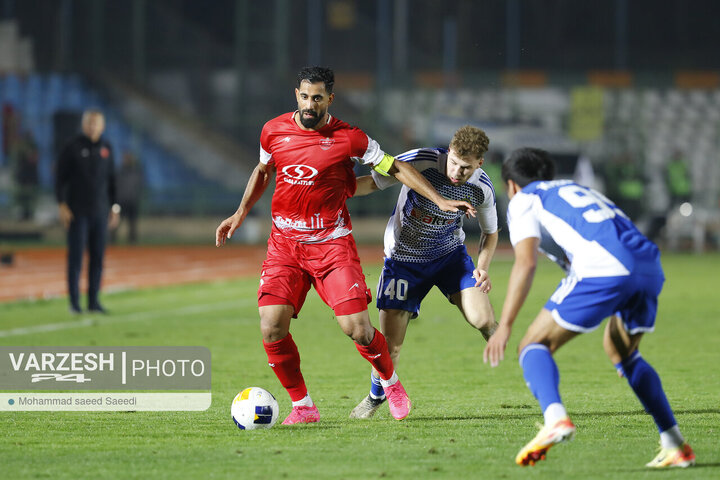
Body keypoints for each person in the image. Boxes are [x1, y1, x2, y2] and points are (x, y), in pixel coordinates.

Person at [215, 66, 475, 425]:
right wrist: (240, 212)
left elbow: (395, 168)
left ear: (329, 99)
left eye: (318, 98)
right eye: (305, 96)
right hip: (285, 246)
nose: (310, 104)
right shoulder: (272, 130)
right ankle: (304, 407)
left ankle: (391, 383)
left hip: (331, 246)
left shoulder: (350, 139)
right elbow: (263, 172)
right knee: (271, 326)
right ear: (297, 95)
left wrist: (440, 200)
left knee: (357, 328)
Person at [483, 148, 695, 468]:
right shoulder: (577, 189)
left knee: (532, 345)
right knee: (622, 352)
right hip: (648, 263)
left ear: (511, 185)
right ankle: (674, 443)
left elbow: (525, 264)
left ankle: (555, 418)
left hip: (605, 267)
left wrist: (507, 324)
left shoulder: (525, 199)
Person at [348, 125, 499, 419]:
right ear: (449, 151)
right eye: (454, 162)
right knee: (390, 349)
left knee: (483, 319)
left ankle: (503, 338)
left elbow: (490, 233)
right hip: (403, 260)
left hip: (449, 258)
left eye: (466, 167)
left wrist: (482, 268)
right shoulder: (422, 160)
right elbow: (374, 182)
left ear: (479, 163)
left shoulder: (482, 188)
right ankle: (375, 396)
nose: (456, 171)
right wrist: (334, 192)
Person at [55, 109, 120, 314]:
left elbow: (112, 182)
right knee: (75, 258)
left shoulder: (107, 148)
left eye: (96, 123)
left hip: (100, 212)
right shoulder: (72, 147)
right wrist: (61, 204)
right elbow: (59, 178)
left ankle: (93, 301)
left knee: (98, 258)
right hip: (77, 211)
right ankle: (74, 303)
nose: (93, 127)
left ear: (103, 126)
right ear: (84, 125)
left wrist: (115, 207)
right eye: (89, 123)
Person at [114, 151, 144, 244]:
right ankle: (112, 241)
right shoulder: (120, 172)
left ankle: (132, 242)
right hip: (121, 201)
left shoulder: (136, 171)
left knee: (132, 223)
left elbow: (140, 186)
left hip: (133, 201)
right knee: (116, 222)